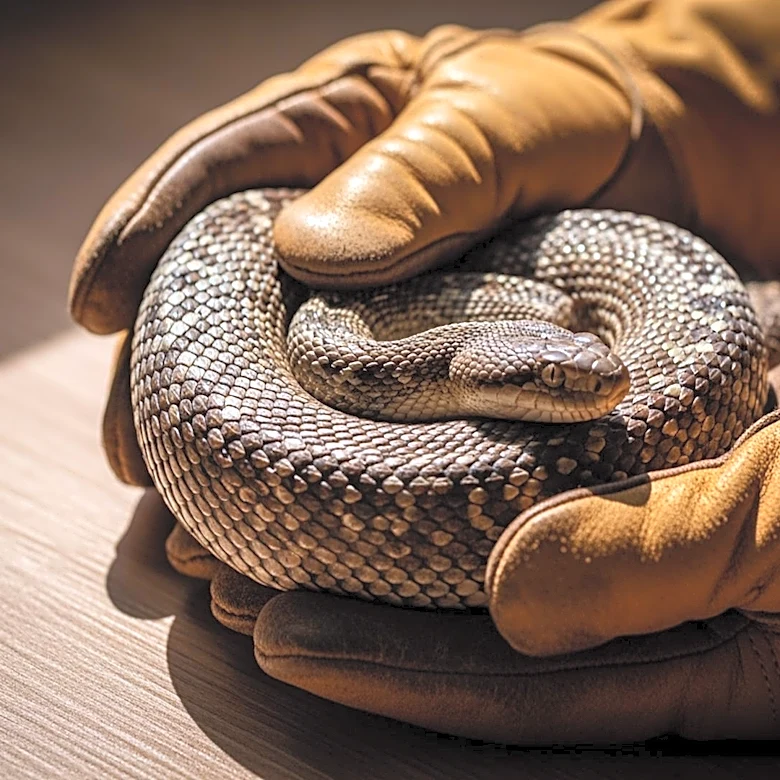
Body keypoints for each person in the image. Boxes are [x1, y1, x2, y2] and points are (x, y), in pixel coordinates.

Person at [69, 0, 780, 741]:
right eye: (553, 379)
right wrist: (671, 77)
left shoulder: (502, 341)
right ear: (484, 370)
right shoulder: (363, 352)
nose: (608, 385)